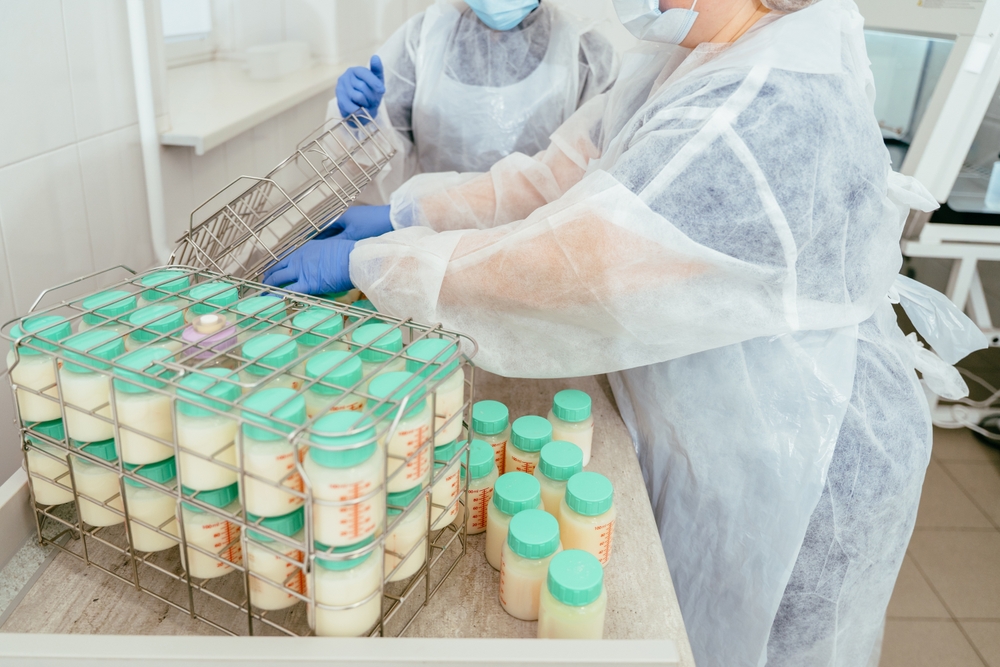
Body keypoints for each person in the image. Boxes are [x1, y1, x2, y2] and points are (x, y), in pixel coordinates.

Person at [266, 1, 982, 664]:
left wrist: (385, 263)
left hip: (794, 444)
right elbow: (557, 177)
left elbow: (594, 259)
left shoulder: (772, 96)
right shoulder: (689, 54)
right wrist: (407, 216)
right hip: (709, 405)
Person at [327, 0, 619, 211]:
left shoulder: (587, 54)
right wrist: (361, 126)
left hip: (538, 247)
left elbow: (596, 182)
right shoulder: (424, 37)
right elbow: (374, 178)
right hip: (423, 238)